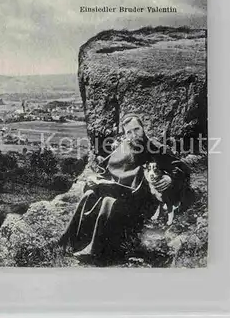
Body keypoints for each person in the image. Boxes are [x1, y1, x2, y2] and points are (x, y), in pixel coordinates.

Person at [57, 113, 191, 264]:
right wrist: (94, 178)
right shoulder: (122, 147)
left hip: (142, 200)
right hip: (121, 192)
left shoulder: (154, 147)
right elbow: (104, 169)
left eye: (137, 129)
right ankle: (71, 244)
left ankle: (95, 251)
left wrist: (170, 178)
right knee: (89, 195)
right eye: (129, 132)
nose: (134, 135)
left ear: (143, 128)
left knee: (108, 201)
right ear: (125, 134)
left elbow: (182, 169)